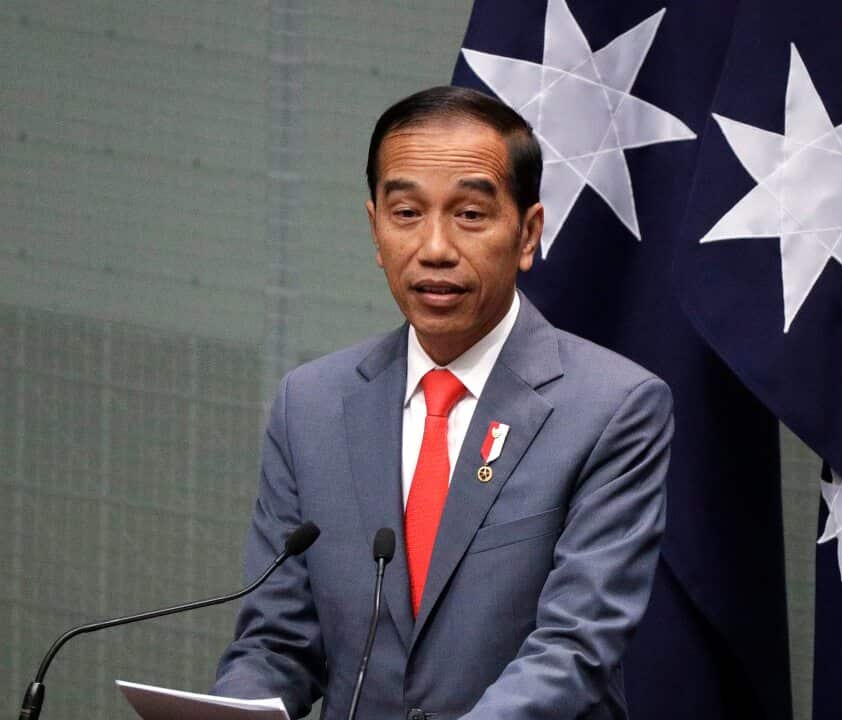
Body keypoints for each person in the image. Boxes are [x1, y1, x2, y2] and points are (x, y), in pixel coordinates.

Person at [213, 86, 673, 720]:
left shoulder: (613, 408)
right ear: (375, 230)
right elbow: (277, 642)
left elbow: (573, 649)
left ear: (527, 233)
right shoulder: (311, 405)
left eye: (470, 214)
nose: (434, 247)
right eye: (406, 212)